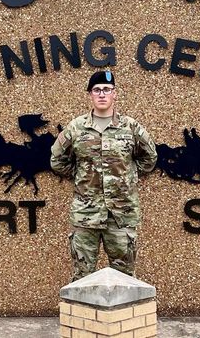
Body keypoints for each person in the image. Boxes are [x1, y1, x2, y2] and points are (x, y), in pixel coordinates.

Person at [50, 70, 157, 281]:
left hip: (121, 215)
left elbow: (150, 158)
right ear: (90, 94)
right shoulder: (76, 128)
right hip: (86, 215)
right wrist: (82, 175)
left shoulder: (131, 127)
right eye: (97, 90)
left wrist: (128, 177)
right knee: (82, 278)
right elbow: (57, 160)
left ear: (115, 94)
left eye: (106, 90)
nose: (101, 94)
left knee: (124, 278)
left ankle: (123, 316)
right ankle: (83, 315)